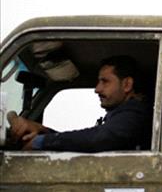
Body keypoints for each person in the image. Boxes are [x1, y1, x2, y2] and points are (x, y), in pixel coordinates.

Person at [8, 55, 152, 152]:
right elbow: (86, 138)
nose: (97, 89)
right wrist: (43, 130)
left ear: (127, 84)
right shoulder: (123, 116)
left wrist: (42, 141)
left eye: (105, 81)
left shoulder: (136, 113)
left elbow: (98, 139)